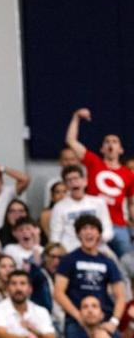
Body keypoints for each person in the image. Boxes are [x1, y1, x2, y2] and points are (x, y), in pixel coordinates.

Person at [65, 107, 134, 258]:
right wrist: (76, 117)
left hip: (118, 225)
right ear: (102, 149)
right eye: (107, 141)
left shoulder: (128, 174)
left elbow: (131, 203)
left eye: (114, 141)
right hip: (94, 223)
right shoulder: (94, 162)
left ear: (121, 149)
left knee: (129, 262)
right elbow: (71, 141)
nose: (111, 144)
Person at [54, 215, 126, 338]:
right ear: (78, 235)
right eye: (84, 229)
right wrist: (78, 316)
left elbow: (120, 296)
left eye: (92, 228)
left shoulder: (108, 262)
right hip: (76, 319)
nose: (88, 232)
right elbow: (58, 292)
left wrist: (114, 322)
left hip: (103, 318)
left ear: (99, 234)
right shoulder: (69, 259)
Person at [49, 165, 113, 252]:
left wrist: (99, 240)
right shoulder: (59, 207)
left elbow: (107, 228)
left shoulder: (99, 203)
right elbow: (55, 236)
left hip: (98, 248)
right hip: (71, 251)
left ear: (85, 181)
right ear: (66, 186)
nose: (73, 182)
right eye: (69, 180)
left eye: (76, 178)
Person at [0, 269, 56, 338]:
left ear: (30, 289)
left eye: (23, 283)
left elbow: (51, 336)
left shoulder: (41, 311)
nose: (18, 288)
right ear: (7, 288)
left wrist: (34, 330)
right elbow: (0, 334)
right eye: (13, 284)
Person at [0, 164, 32, 233]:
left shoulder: (7, 192)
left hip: (6, 234)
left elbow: (25, 179)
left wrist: (2, 168)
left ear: (1, 182)